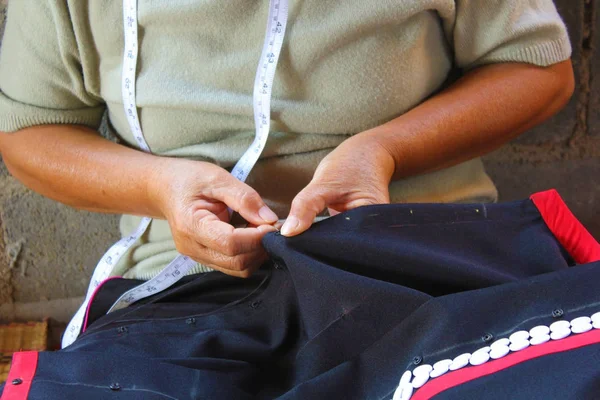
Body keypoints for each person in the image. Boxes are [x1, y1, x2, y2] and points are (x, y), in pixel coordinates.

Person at [0, 0, 574, 280]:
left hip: (426, 253)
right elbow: (30, 131)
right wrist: (160, 186)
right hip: (181, 281)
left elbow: (538, 68)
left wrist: (383, 150)